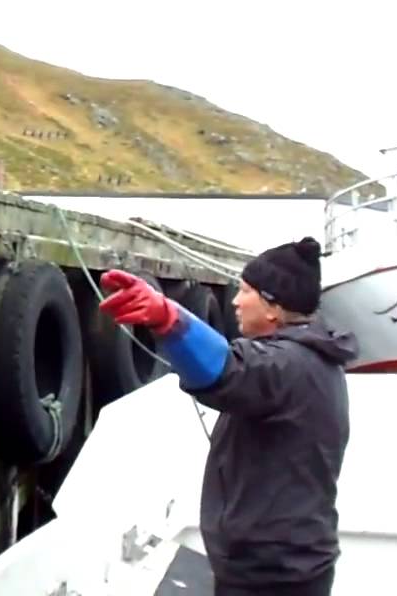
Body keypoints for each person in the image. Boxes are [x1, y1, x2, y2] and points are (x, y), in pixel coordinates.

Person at [98, 236, 355, 596]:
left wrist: (168, 318)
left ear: (273, 307)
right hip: (289, 562)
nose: (234, 300)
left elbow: (228, 369)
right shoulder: (314, 358)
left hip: (272, 574)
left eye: (245, 290)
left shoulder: (288, 365)